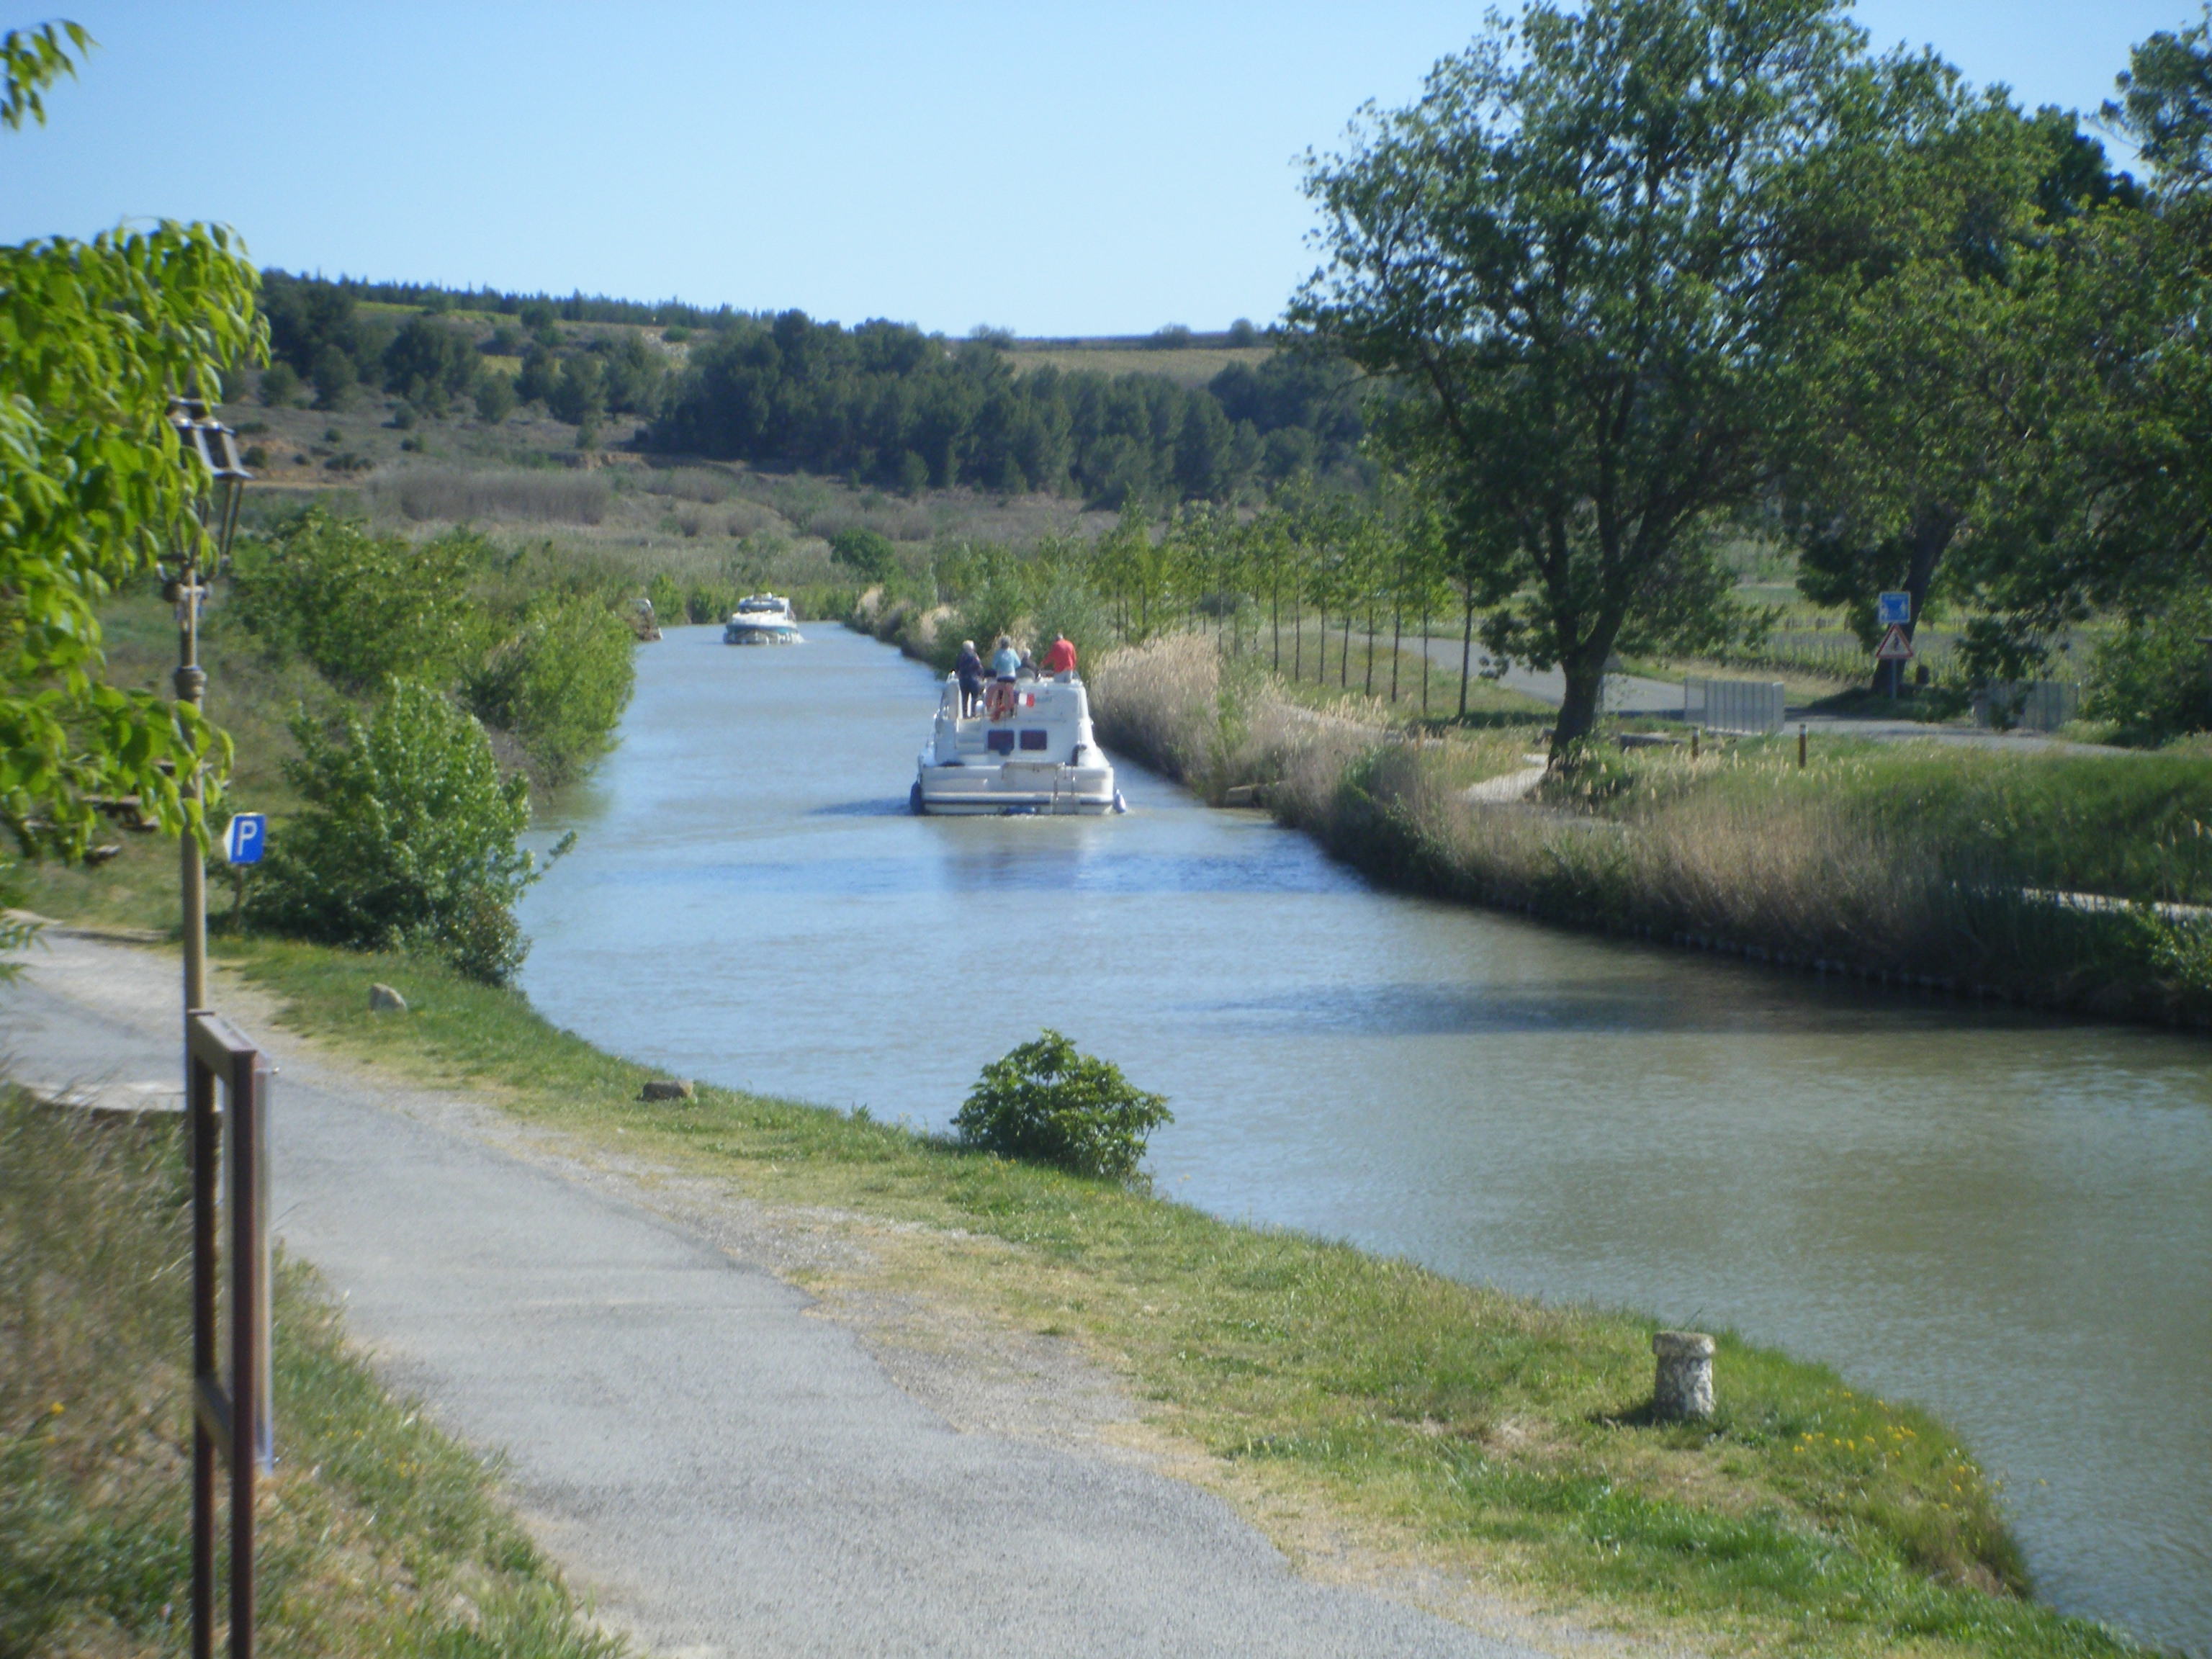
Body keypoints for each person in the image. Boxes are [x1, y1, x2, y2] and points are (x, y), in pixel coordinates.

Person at [986, 634, 1020, 720]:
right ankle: (1012, 711)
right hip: (1011, 676)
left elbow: (993, 666)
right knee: (1011, 693)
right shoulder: (1013, 652)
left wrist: (999, 668)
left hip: (1001, 676)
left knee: (1000, 693)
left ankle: (998, 711)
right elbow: (1018, 664)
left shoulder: (998, 653)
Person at [954, 639, 984, 717]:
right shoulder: (975, 656)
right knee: (974, 698)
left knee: (965, 698)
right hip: (973, 680)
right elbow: (979, 668)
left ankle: (965, 715)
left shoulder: (961, 656)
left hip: (963, 680)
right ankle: (973, 714)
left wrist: (959, 675)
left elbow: (957, 668)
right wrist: (982, 676)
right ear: (972, 648)